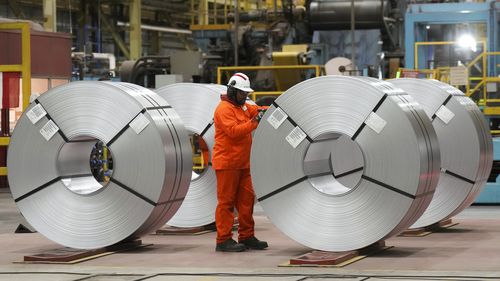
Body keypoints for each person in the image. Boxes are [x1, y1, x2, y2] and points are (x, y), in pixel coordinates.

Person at [212, 72, 268, 252]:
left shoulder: (242, 106)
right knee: (226, 203)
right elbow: (234, 131)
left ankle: (246, 236)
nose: (245, 97)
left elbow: (257, 110)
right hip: (227, 164)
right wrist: (254, 123)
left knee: (246, 202)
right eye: (242, 93)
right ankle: (223, 240)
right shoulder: (223, 109)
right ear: (232, 91)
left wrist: (273, 109)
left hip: (243, 163)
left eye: (246, 94)